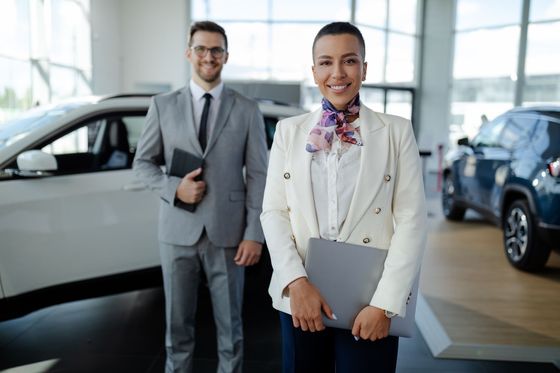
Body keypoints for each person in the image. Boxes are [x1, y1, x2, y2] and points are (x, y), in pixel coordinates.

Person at [260, 22, 427, 373]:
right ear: (314, 70)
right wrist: (296, 282)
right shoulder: (289, 132)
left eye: (349, 61)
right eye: (326, 62)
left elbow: (412, 222)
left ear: (365, 69)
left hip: (369, 297)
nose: (337, 73)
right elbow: (273, 213)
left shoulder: (396, 132)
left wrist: (385, 304)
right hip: (302, 295)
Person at [133, 21, 268, 373]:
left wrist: (255, 233)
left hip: (228, 234)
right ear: (189, 52)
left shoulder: (247, 110)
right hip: (177, 232)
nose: (209, 57)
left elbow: (259, 176)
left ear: (226, 55)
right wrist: (173, 188)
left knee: (231, 328)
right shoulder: (162, 105)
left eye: (217, 50)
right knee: (177, 327)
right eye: (202, 49)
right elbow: (143, 165)